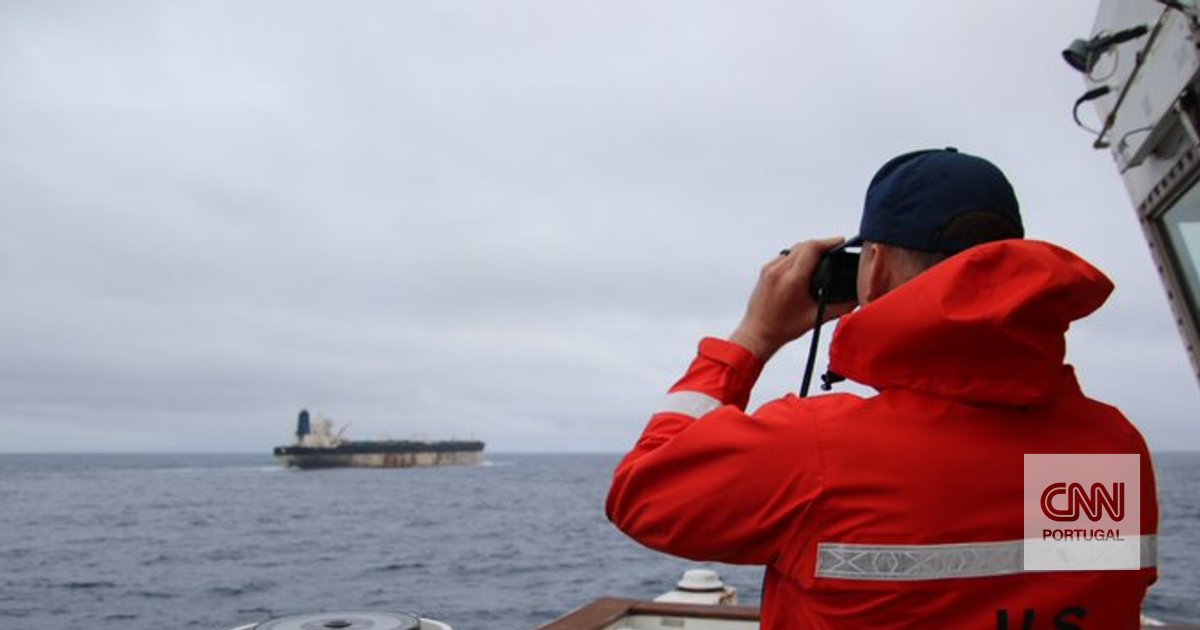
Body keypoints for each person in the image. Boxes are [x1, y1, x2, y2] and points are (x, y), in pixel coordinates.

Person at [606, 148, 1158, 629]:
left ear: (874, 268)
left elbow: (642, 492)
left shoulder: (816, 453)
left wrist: (754, 336)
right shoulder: (1112, 448)